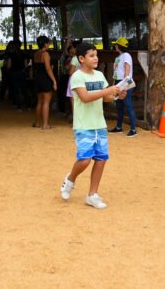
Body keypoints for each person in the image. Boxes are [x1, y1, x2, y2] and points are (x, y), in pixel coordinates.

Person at [59, 42, 124, 209]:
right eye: (92, 56)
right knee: (85, 159)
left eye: (96, 55)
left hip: (99, 125)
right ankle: (70, 179)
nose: (96, 58)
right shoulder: (77, 77)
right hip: (83, 125)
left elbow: (105, 98)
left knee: (101, 159)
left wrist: (116, 95)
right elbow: (85, 97)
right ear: (81, 58)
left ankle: (92, 195)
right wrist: (108, 91)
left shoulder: (99, 75)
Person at [108, 37, 137, 137]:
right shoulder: (118, 58)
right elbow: (116, 73)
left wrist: (125, 84)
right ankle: (119, 127)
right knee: (119, 106)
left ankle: (133, 129)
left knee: (128, 105)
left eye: (116, 44)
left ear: (119, 46)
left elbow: (127, 70)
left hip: (124, 82)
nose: (115, 46)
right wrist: (114, 84)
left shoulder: (126, 56)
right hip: (118, 82)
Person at [32, 35, 57, 129]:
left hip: (38, 78)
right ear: (45, 44)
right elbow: (47, 68)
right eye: (48, 43)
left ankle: (37, 122)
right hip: (46, 79)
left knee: (39, 102)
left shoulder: (36, 54)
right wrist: (54, 80)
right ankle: (45, 124)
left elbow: (39, 67)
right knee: (46, 102)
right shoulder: (45, 54)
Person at [55, 37, 74, 115]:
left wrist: (69, 42)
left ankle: (71, 113)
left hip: (69, 76)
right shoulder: (66, 56)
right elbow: (65, 52)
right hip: (64, 76)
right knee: (61, 93)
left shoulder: (73, 57)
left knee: (70, 95)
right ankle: (62, 110)